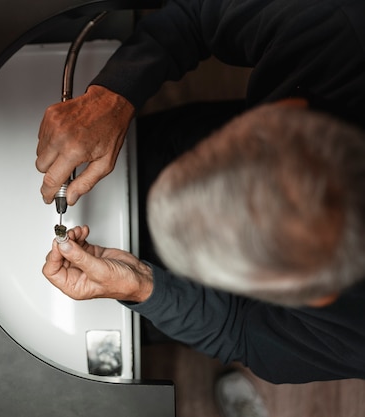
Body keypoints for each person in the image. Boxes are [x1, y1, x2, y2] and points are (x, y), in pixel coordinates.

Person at [36, 0, 365, 388]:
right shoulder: (332, 28)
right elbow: (196, 14)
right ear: (287, 112)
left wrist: (143, 286)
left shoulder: (353, 337)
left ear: (317, 297)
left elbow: (241, 331)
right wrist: (114, 96)